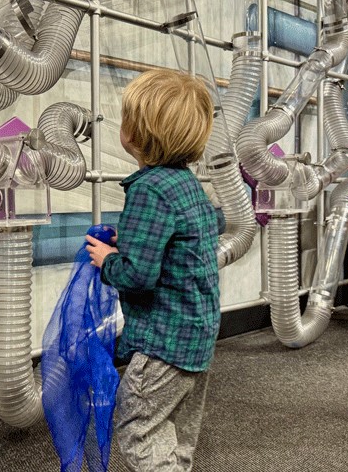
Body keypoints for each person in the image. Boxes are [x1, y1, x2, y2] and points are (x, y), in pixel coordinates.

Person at [84, 68, 219, 472]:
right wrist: (130, 240)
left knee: (138, 426)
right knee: (176, 430)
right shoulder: (186, 184)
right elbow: (179, 242)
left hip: (164, 341)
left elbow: (139, 276)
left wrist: (108, 261)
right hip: (199, 333)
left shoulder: (148, 188)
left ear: (137, 133)